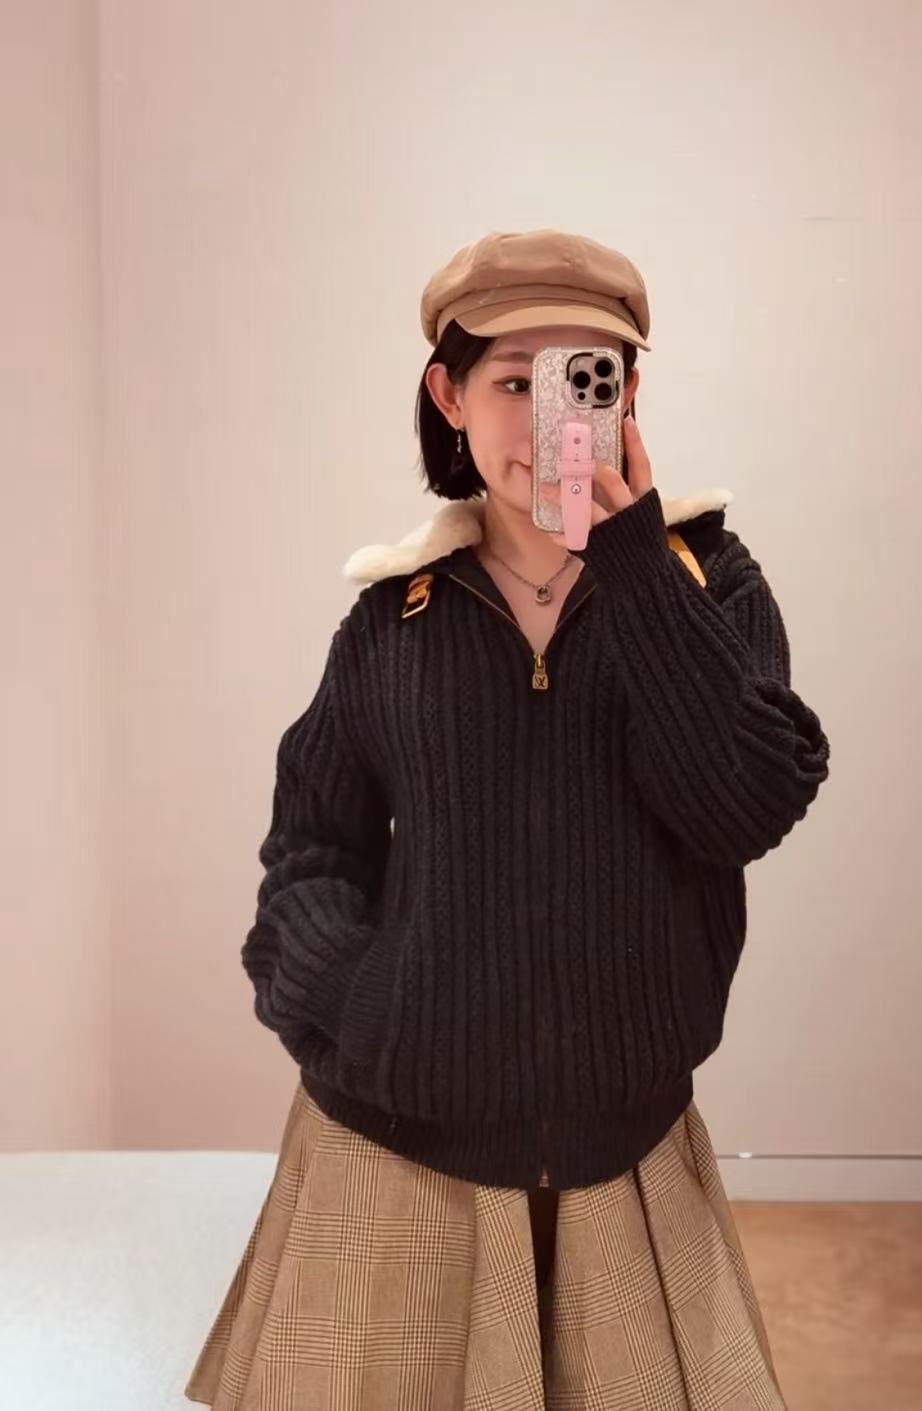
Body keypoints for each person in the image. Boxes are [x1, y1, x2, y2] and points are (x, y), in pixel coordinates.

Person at [184, 228, 830, 1409]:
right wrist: (359, 1003)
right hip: (399, 1150)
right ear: (450, 395)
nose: (549, 417)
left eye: (585, 377)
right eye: (514, 381)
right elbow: (313, 846)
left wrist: (632, 568)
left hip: (621, 1158)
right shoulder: (394, 618)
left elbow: (743, 806)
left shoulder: (704, 583)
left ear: (629, 394)